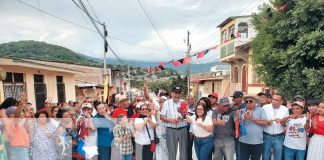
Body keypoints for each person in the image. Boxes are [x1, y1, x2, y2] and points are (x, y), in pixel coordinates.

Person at [160, 86, 188, 160]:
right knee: (171, 152)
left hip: (183, 129)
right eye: (175, 93)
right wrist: (172, 120)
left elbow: (187, 117)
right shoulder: (166, 103)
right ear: (171, 93)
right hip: (171, 130)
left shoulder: (184, 102)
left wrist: (183, 116)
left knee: (184, 152)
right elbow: (162, 117)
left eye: (179, 93)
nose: (177, 95)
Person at [237, 95, 268, 160]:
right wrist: (244, 119)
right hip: (243, 141)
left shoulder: (260, 110)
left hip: (257, 142)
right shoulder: (241, 111)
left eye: (250, 101)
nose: (248, 103)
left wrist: (253, 119)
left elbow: (265, 123)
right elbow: (239, 124)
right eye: (246, 101)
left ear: (255, 102)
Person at [262, 93, 289, 160]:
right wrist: (267, 123)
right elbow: (261, 121)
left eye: (276, 100)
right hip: (266, 136)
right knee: (265, 156)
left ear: (281, 101)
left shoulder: (285, 109)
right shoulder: (265, 107)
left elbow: (286, 123)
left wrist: (282, 121)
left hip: (279, 137)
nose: (274, 101)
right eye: (273, 99)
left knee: (278, 157)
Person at [230, 91, 246, 160]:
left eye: (235, 97)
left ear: (240, 98)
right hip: (232, 133)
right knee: (229, 153)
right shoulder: (232, 106)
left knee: (239, 154)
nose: (233, 99)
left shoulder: (245, 106)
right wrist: (231, 108)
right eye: (233, 97)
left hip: (240, 134)